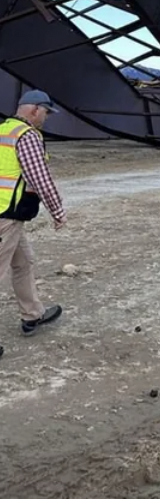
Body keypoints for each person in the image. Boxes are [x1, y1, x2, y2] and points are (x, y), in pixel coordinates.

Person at [0, 89, 67, 359]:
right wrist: (58, 211)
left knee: (24, 262)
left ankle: (32, 315)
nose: (46, 118)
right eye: (46, 112)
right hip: (6, 215)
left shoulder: (4, 129)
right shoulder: (26, 136)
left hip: (10, 214)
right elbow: (39, 178)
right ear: (34, 109)